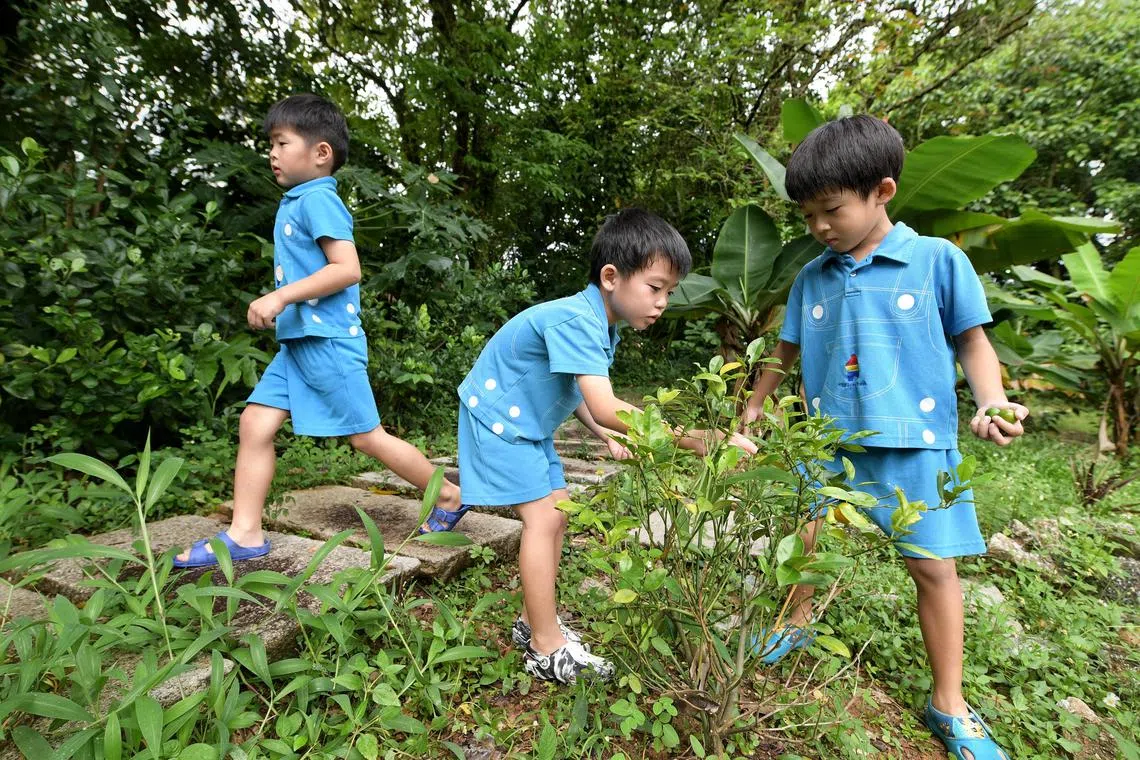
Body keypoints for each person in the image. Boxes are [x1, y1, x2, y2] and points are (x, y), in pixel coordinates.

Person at [743, 115, 1024, 760]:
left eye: (831, 210)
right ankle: (797, 620)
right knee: (805, 539)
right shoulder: (813, 275)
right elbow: (783, 352)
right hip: (825, 443)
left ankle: (948, 702)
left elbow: (973, 342)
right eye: (808, 214)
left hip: (917, 442)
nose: (818, 227)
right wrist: (754, 409)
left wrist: (992, 401)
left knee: (933, 567)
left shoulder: (936, 260)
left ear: (883, 192)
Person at [421, 208, 757, 684]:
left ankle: (532, 624)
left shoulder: (601, 323)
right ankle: (544, 647)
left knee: (560, 511)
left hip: (526, 426)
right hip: (496, 420)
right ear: (611, 277)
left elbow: (580, 391)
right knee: (544, 518)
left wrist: (604, 433)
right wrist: (695, 439)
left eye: (669, 292)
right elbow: (604, 403)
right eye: (655, 287)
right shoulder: (577, 320)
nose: (662, 302)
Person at [175, 94, 461, 568]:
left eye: (281, 142)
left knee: (367, 437)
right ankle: (244, 532)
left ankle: (447, 494)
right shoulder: (299, 201)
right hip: (299, 344)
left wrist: (281, 296)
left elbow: (347, 269)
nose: (271, 152)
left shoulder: (319, 200)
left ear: (321, 153)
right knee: (255, 424)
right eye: (271, 143)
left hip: (327, 341)